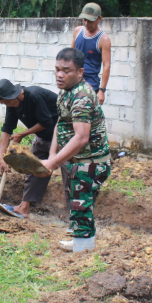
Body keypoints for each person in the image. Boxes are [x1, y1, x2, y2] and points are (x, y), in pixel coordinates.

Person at [40, 48, 111, 253]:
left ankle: (83, 249)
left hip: (90, 162)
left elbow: (81, 138)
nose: (60, 75)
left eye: (66, 71)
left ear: (80, 73)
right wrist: (52, 155)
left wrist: (52, 164)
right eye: (57, 69)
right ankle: (82, 241)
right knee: (78, 201)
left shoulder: (82, 97)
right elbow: (61, 125)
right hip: (78, 160)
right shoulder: (65, 93)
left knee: (81, 204)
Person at [0, 79, 59, 218]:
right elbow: (7, 128)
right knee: (33, 169)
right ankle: (23, 208)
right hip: (43, 137)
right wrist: (2, 156)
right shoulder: (12, 105)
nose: (8, 105)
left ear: (14, 95)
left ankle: (77, 217)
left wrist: (22, 134)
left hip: (62, 137)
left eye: (7, 102)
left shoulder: (34, 95)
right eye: (4, 104)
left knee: (70, 173)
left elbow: (46, 122)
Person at [72, 3, 111, 105]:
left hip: (90, 85)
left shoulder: (103, 39)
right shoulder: (77, 31)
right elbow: (70, 55)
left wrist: (102, 90)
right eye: (84, 19)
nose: (86, 23)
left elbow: (106, 65)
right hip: (74, 81)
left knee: (85, 118)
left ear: (99, 19)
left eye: (90, 20)